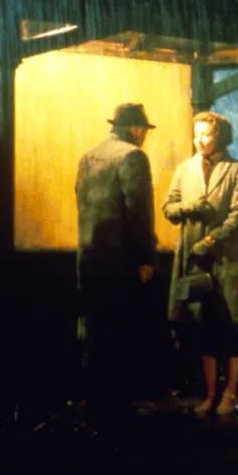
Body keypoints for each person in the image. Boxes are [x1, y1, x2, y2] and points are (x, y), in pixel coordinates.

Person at [163, 111, 238, 416]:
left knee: (229, 328)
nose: (200, 140)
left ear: (221, 137)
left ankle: (230, 392)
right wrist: (191, 207)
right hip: (195, 261)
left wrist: (211, 239)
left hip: (228, 260)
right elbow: (169, 207)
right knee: (202, 328)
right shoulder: (185, 169)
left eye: (206, 134)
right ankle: (209, 394)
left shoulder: (236, 171)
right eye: (197, 134)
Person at [75, 102, 158, 422]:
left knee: (94, 331)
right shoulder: (132, 157)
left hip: (89, 257)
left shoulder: (88, 157)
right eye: (144, 131)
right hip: (121, 260)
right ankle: (118, 405)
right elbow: (138, 211)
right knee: (122, 331)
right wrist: (145, 257)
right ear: (136, 130)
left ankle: (94, 400)